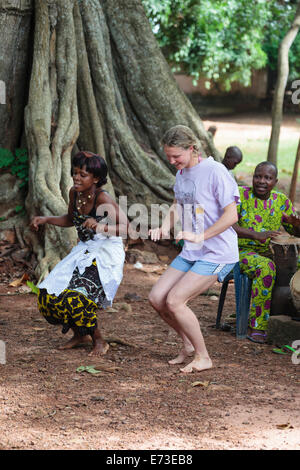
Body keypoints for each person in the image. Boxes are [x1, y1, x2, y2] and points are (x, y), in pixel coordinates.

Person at [148, 125, 240, 373]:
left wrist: (200, 235)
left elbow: (232, 216)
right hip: (192, 251)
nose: (171, 161)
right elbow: (177, 203)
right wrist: (164, 227)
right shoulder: (181, 174)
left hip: (218, 251)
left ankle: (203, 356)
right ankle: (187, 344)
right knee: (157, 299)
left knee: (176, 301)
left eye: (176, 156)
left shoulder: (215, 171)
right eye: (168, 156)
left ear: (192, 148)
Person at [30, 151, 128, 356]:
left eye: (83, 175)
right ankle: (80, 334)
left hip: (105, 252)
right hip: (84, 250)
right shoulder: (74, 193)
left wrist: (100, 227)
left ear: (96, 179)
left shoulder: (103, 198)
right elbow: (70, 219)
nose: (76, 178)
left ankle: (99, 340)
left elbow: (127, 228)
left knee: (77, 298)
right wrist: (46, 219)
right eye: (75, 173)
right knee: (48, 296)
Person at [234, 161, 300, 343]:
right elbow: (227, 224)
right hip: (242, 251)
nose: (261, 181)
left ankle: (292, 310)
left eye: (267, 178)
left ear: (275, 181)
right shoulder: (240, 195)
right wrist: (255, 234)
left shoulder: (281, 201)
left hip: (271, 250)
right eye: (258, 176)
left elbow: (295, 232)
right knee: (266, 267)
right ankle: (257, 326)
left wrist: (296, 226)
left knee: (297, 262)